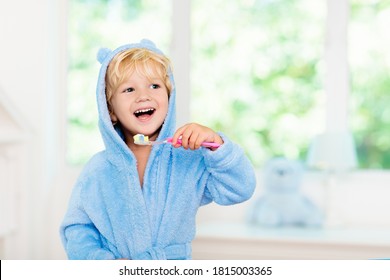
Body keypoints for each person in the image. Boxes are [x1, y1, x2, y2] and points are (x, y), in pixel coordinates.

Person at [60, 39, 256, 260]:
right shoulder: (98, 169)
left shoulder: (189, 158)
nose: (143, 95)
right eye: (129, 89)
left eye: (154, 86)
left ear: (169, 99)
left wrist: (217, 147)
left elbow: (241, 188)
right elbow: (77, 228)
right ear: (110, 111)